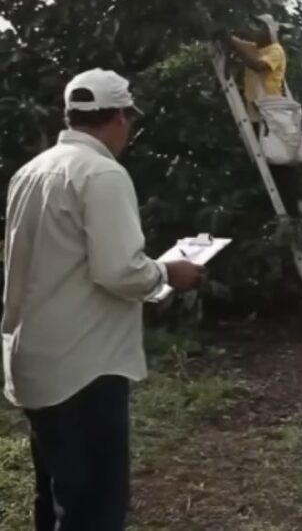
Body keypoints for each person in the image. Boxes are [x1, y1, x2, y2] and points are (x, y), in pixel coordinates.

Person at [2, 68, 204, 531]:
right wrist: (170, 272)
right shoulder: (102, 174)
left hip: (35, 359)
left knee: (55, 496)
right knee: (94, 507)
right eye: (129, 120)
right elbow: (119, 271)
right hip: (85, 368)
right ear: (119, 117)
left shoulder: (30, 172)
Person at [223, 13, 300, 217]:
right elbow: (242, 45)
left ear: (268, 31)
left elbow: (257, 65)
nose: (253, 31)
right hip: (258, 115)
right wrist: (226, 37)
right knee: (264, 167)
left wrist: (230, 41)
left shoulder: (275, 51)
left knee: (280, 166)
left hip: (271, 115)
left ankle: (291, 216)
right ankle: (273, 214)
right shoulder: (258, 49)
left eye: (258, 28)